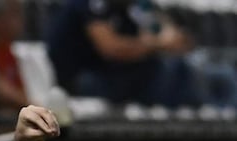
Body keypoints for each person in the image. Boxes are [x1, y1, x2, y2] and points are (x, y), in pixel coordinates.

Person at [45, 0, 237, 108]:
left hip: (129, 76)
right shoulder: (90, 4)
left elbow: (174, 39)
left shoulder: (136, 6)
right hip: (86, 80)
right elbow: (111, 49)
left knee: (221, 75)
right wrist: (155, 44)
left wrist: (161, 40)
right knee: (171, 72)